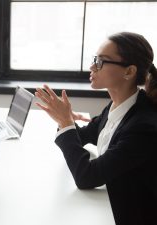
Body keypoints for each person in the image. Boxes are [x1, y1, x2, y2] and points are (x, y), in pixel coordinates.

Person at [35, 32, 157, 225]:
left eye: (101, 61)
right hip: (109, 204)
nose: (92, 67)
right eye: (95, 59)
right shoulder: (117, 105)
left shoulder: (143, 127)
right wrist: (63, 119)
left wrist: (66, 122)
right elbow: (82, 136)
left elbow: (86, 177)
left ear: (129, 72)